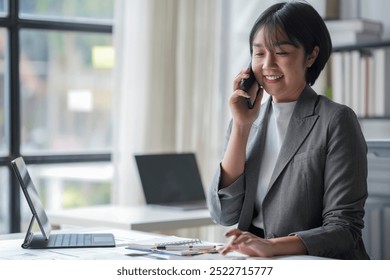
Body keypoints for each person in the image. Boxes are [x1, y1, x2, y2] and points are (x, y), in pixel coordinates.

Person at [207, 1, 370, 259]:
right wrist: (241, 126)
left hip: (316, 264)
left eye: (281, 52)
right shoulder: (246, 119)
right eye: (259, 54)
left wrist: (272, 246)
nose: (267, 65)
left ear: (311, 55)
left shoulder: (336, 120)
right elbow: (223, 213)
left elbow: (344, 229)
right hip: (261, 261)